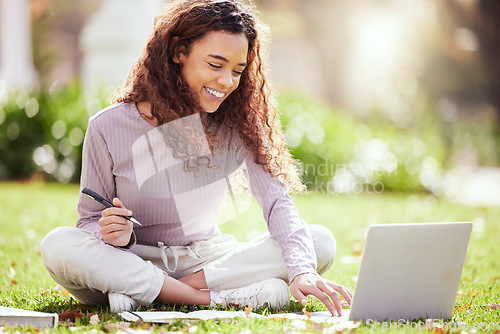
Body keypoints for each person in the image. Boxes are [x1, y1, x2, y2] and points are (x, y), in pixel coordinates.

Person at [40, 0, 352, 315]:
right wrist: (113, 234)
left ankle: (151, 294)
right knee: (58, 245)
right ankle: (208, 299)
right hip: (130, 261)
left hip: (207, 261)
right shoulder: (107, 126)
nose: (228, 81)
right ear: (178, 53)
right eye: (215, 65)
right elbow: (90, 220)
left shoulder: (235, 123)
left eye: (237, 70)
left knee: (318, 242)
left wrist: (303, 271)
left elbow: (277, 203)